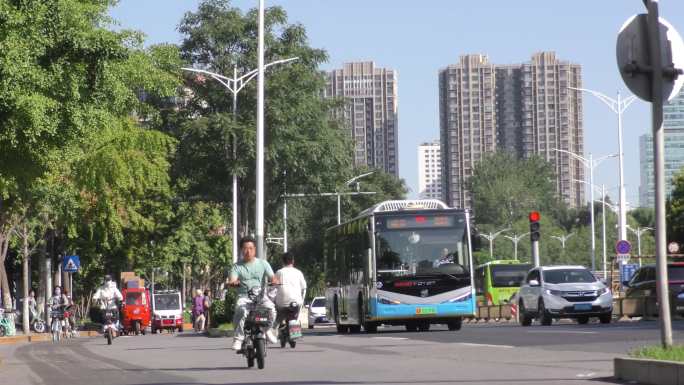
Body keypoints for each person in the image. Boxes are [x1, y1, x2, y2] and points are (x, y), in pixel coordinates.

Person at [227, 236, 279, 350]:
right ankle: (238, 339)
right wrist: (233, 283)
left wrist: (274, 281)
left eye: (251, 248)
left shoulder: (263, 263)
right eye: (245, 248)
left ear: (254, 249)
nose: (248, 251)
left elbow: (272, 277)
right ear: (241, 250)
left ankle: (267, 329)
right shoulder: (236, 267)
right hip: (244, 296)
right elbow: (232, 279)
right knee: (240, 310)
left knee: (272, 310)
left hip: (260, 296)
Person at [273, 252, 307, 335]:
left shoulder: (279, 272)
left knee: (278, 315)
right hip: (296, 303)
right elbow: (304, 287)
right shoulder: (298, 272)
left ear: (283, 262)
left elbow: (273, 286)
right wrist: (301, 300)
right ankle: (294, 331)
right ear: (293, 261)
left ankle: (277, 327)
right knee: (295, 315)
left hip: (282, 304)